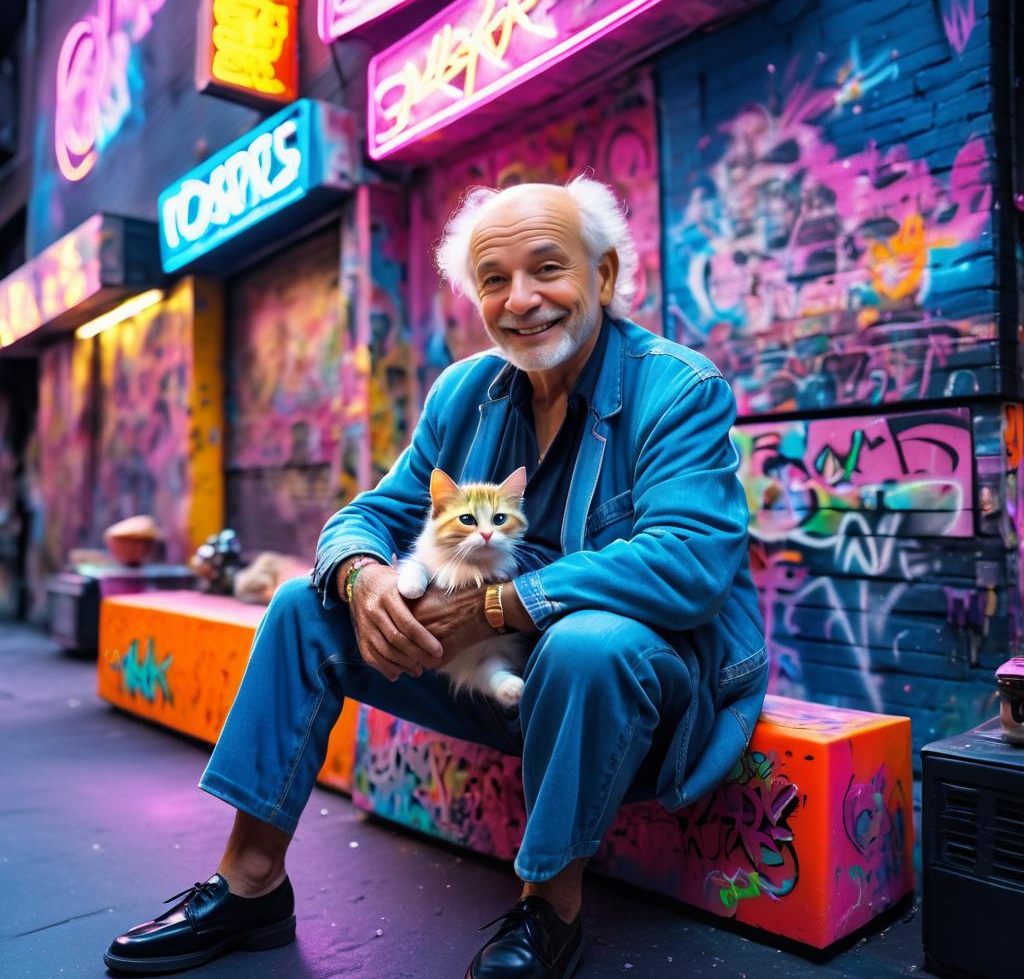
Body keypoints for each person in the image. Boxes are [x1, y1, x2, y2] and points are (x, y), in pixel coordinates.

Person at [104, 177, 768, 979]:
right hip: (500, 683)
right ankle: (250, 883)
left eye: (547, 270)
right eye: (494, 279)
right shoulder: (466, 392)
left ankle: (548, 909)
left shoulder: (680, 388)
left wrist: (500, 607)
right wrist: (359, 576)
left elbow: (690, 559)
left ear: (604, 276)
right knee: (301, 606)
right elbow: (373, 512)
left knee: (586, 644)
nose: (521, 300)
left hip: (644, 699)